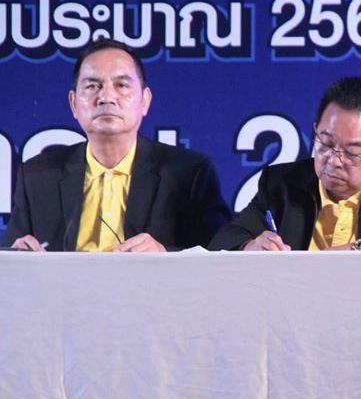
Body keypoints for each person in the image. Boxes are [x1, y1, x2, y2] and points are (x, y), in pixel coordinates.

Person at [3, 38, 231, 252]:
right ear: (73, 104)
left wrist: (165, 255)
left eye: (121, 85)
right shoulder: (38, 176)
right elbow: (11, 260)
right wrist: (18, 255)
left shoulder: (189, 174)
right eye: (92, 86)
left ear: (145, 101)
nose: (106, 97)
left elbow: (219, 255)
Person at [209, 77, 361, 251]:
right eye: (326, 143)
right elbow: (224, 238)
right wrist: (250, 246)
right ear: (315, 131)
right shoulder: (281, 184)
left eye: (352, 153)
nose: (334, 160)